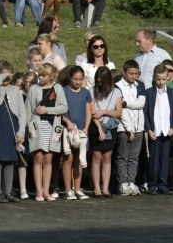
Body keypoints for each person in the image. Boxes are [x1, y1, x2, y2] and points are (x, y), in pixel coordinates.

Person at [0, 64, 26, 203]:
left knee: (10, 160)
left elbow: (22, 112)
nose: (7, 78)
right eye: (4, 74)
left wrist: (21, 131)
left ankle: (8, 191)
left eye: (9, 75)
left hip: (12, 128)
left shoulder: (16, 90)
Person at [26, 63, 67, 202]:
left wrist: (48, 110)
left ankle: (46, 190)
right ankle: (38, 191)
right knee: (38, 158)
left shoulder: (57, 88)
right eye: (39, 75)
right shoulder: (33, 89)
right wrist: (27, 128)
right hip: (37, 126)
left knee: (48, 159)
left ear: (51, 76)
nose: (40, 78)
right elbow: (28, 110)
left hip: (52, 126)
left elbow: (63, 107)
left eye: (43, 75)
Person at [143, 64, 173, 195]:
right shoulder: (148, 93)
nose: (160, 82)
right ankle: (152, 184)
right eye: (158, 79)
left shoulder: (172, 93)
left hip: (167, 131)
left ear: (167, 78)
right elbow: (146, 113)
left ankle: (163, 184)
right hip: (155, 131)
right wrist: (148, 129)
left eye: (163, 79)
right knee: (153, 159)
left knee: (165, 159)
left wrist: (172, 127)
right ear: (154, 78)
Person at [88, 67, 123, 198]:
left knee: (107, 157)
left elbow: (118, 112)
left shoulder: (116, 92)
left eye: (102, 81)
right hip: (95, 125)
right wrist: (99, 129)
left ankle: (106, 188)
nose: (100, 84)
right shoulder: (91, 91)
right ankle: (97, 188)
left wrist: (103, 112)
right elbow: (91, 112)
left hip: (110, 126)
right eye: (98, 81)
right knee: (96, 157)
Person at [115, 60, 146, 196]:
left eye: (136, 73)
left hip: (138, 125)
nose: (134, 76)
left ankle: (131, 181)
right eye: (131, 73)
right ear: (124, 72)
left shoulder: (140, 85)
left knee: (134, 157)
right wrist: (128, 128)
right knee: (123, 157)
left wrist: (127, 103)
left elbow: (141, 103)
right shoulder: (117, 87)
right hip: (124, 127)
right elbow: (120, 108)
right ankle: (122, 182)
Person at [61, 66, 92, 200]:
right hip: (68, 129)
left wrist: (86, 127)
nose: (78, 82)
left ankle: (78, 188)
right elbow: (60, 110)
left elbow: (88, 111)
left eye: (80, 79)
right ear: (70, 78)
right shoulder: (63, 91)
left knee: (80, 159)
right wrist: (67, 122)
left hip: (81, 130)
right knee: (68, 158)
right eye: (75, 79)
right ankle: (68, 189)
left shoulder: (86, 92)